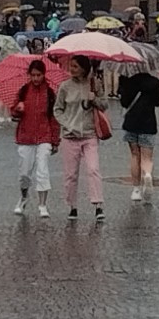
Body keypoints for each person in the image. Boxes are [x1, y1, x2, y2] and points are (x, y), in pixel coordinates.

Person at [54, 55, 108, 222]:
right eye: (71, 66)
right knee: (71, 174)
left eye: (75, 66)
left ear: (84, 68)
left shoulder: (94, 84)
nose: (72, 69)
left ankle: (98, 204)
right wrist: (66, 124)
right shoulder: (64, 87)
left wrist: (95, 100)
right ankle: (72, 206)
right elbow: (57, 109)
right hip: (70, 136)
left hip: (89, 134)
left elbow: (104, 104)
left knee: (93, 169)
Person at [10, 60, 59, 217]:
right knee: (24, 172)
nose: (36, 78)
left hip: (44, 136)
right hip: (26, 137)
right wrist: (18, 109)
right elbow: (13, 111)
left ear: (44, 75)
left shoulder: (50, 93)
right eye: (33, 75)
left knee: (42, 170)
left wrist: (55, 140)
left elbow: (54, 118)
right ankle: (24, 197)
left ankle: (42, 204)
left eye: (39, 75)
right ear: (29, 75)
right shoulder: (24, 90)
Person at [117, 68, 159, 201]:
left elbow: (124, 103)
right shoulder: (155, 83)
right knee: (147, 158)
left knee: (134, 155)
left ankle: (136, 190)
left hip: (131, 123)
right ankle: (147, 174)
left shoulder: (128, 82)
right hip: (148, 123)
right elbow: (158, 103)